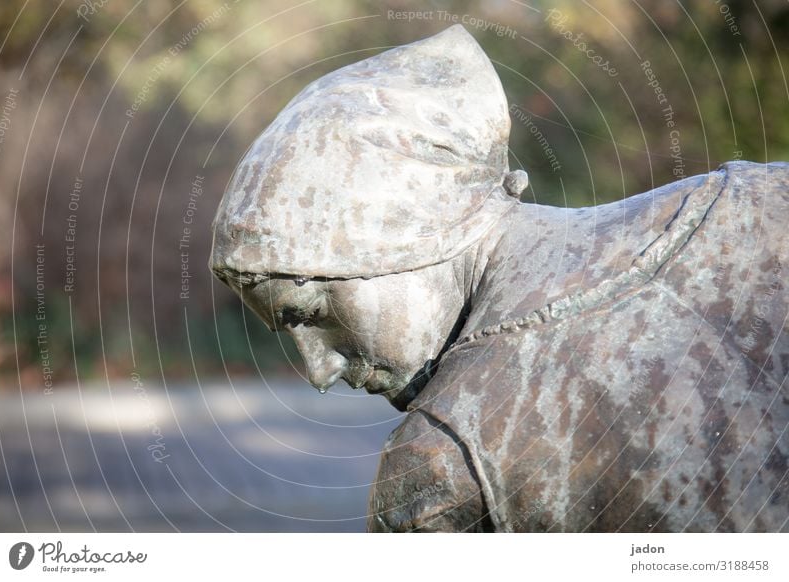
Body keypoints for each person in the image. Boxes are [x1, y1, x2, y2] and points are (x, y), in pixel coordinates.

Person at [210, 25, 789, 532]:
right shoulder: (759, 203)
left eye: (309, 313)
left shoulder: (441, 468)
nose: (319, 371)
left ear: (405, 230)